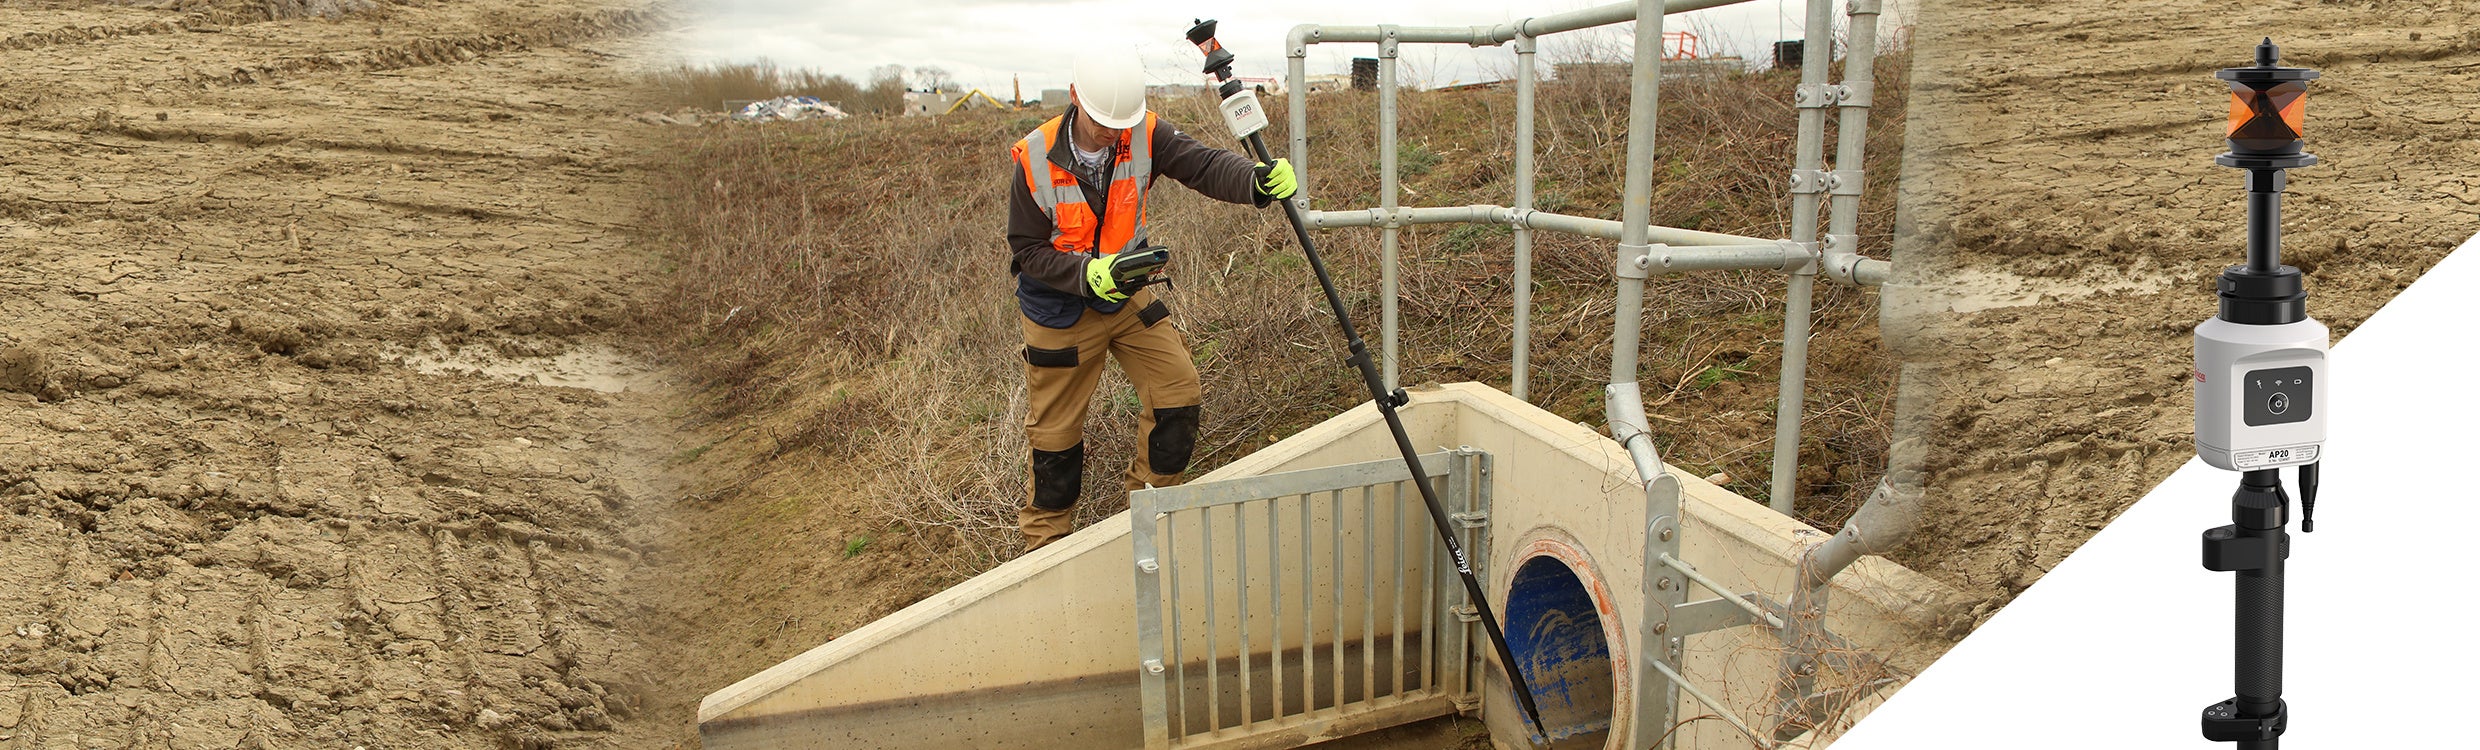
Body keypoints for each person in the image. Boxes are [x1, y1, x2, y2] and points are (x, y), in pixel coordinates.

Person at [1006, 47, 1297, 552]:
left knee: (1177, 394)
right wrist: (1085, 274)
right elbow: (1026, 249)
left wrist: (1254, 181)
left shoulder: (1143, 131)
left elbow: (1203, 165)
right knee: (1055, 438)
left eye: (1120, 123)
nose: (1112, 133)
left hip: (1126, 295)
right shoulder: (1034, 156)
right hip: (1059, 309)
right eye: (1102, 122)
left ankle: (1148, 517)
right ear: (1075, 98)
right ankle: (1045, 548)